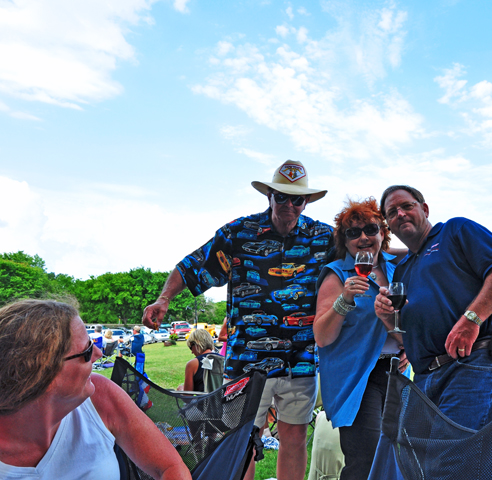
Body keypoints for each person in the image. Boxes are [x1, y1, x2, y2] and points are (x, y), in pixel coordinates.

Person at [142, 159, 332, 480]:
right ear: (269, 196)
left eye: (296, 199)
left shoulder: (324, 237)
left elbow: (367, 256)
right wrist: (164, 299)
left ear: (306, 202)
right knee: (239, 440)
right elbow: (193, 265)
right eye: (281, 197)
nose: (288, 205)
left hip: (299, 362)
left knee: (295, 437)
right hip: (247, 361)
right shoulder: (238, 234)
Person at [374, 185, 492, 431]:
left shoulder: (455, 230)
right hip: (424, 378)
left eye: (407, 206)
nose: (400, 213)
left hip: (472, 365)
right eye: (392, 212)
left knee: (456, 453)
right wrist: (387, 318)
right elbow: (408, 340)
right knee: (423, 455)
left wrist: (471, 319)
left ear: (425, 209)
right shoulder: (402, 270)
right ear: (389, 224)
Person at [0, 299, 191, 480]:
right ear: (44, 374)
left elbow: (170, 467)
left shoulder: (100, 394)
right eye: (86, 351)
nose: (98, 354)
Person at [314, 198, 407, 480]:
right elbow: (322, 337)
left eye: (370, 229)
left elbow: (410, 320)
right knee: (366, 458)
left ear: (383, 233)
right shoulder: (336, 274)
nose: (363, 237)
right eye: (353, 233)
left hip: (397, 373)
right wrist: (344, 299)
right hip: (358, 377)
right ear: (344, 241)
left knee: (396, 455)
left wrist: (409, 347)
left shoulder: (399, 269)